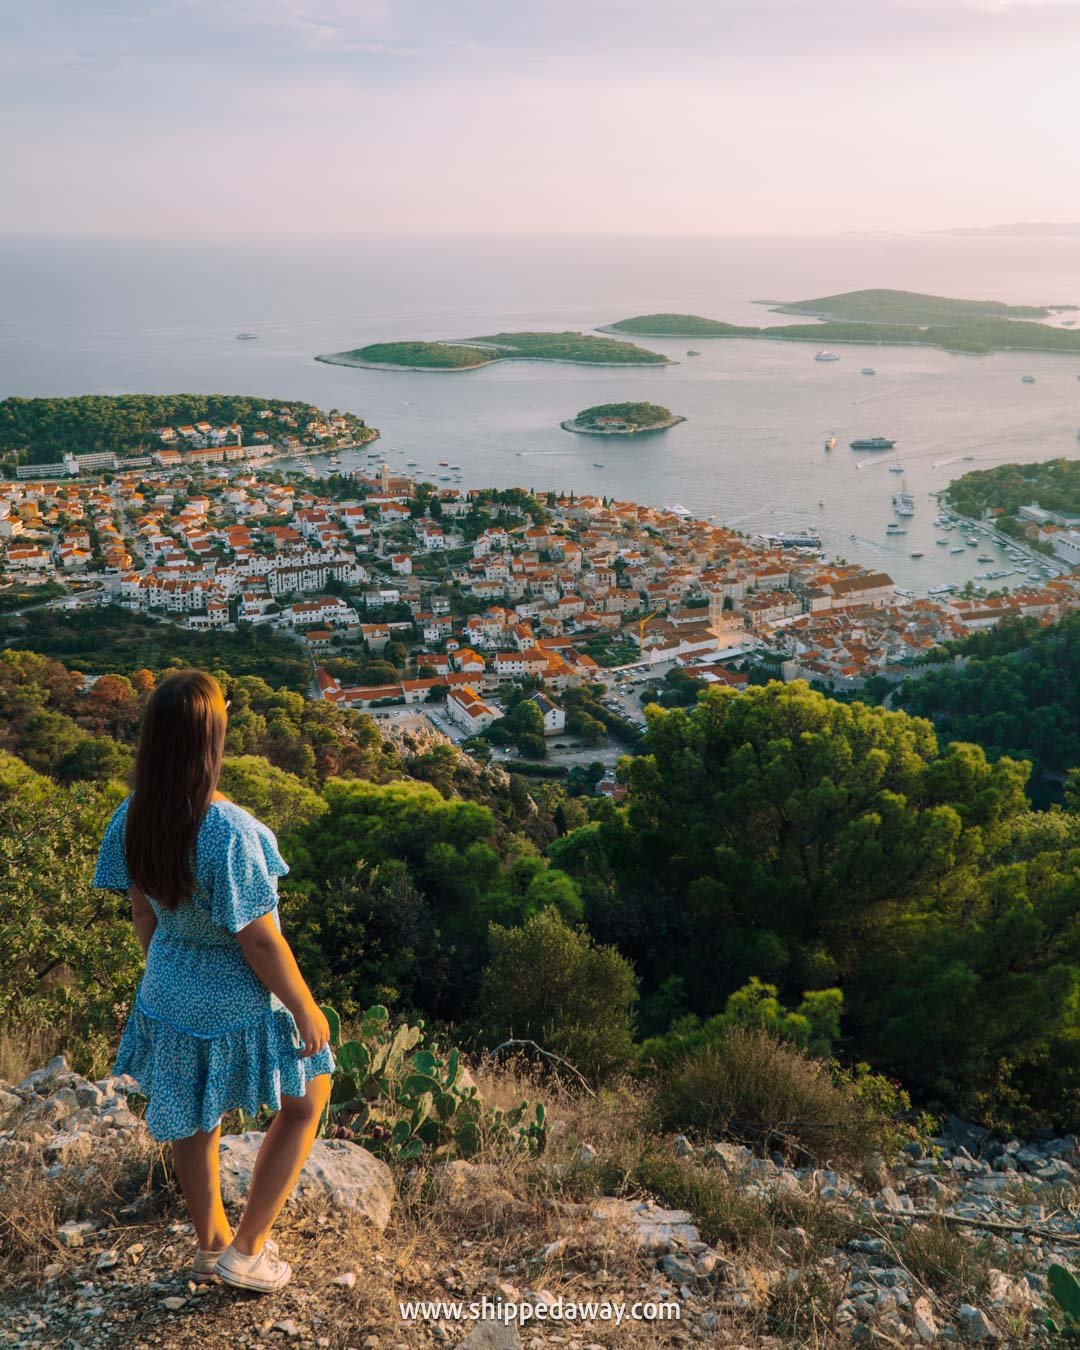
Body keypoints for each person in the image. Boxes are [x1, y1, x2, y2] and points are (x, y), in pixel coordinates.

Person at [93, 669, 333, 1294]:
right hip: (236, 991)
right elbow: (258, 938)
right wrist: (304, 1007)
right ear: (210, 741)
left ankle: (211, 1245)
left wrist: (169, 969)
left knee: (192, 1117)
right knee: (310, 1097)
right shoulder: (228, 831)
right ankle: (248, 1250)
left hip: (166, 984)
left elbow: (142, 913)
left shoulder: (134, 815)